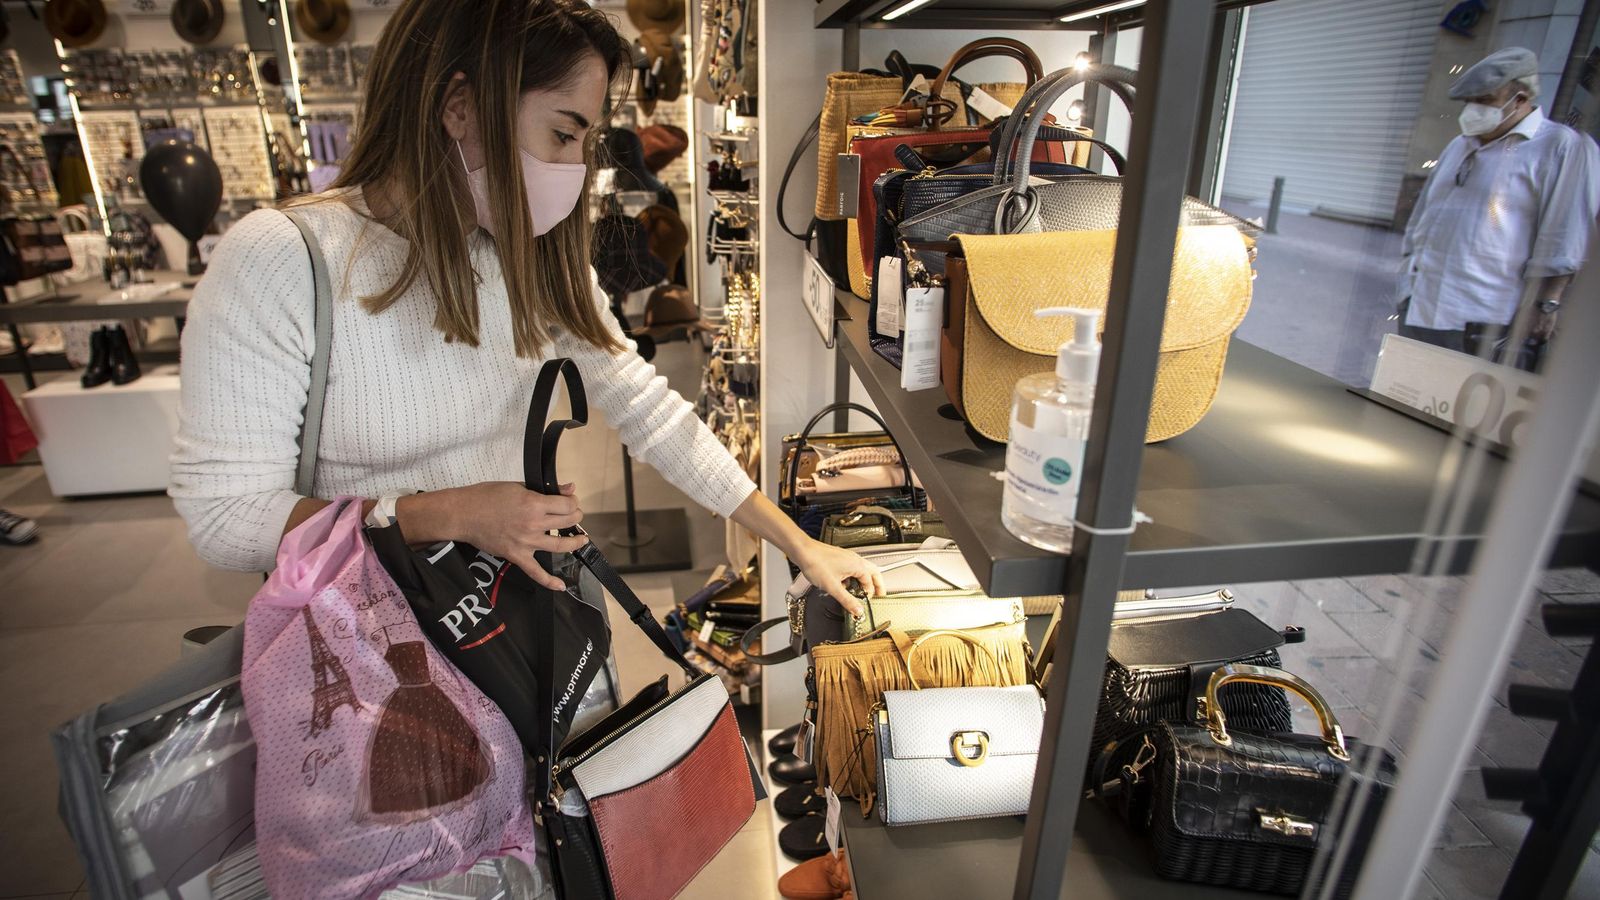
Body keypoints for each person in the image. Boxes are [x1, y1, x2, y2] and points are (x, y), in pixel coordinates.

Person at [169, 1, 882, 609]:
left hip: (518, 630)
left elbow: (650, 411)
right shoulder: (281, 260)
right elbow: (225, 516)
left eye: (585, 140)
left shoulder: (533, 255)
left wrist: (797, 543)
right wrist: (446, 515)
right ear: (458, 108)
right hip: (369, 657)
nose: (574, 167)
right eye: (562, 133)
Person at [1398, 46, 1600, 362]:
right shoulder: (1459, 145)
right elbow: (1425, 213)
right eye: (1469, 102)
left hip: (1484, 319)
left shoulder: (1561, 148)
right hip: (1421, 304)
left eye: (1485, 101)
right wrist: (1405, 281)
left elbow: (1566, 238)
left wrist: (1547, 304)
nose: (1473, 110)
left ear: (1520, 99)